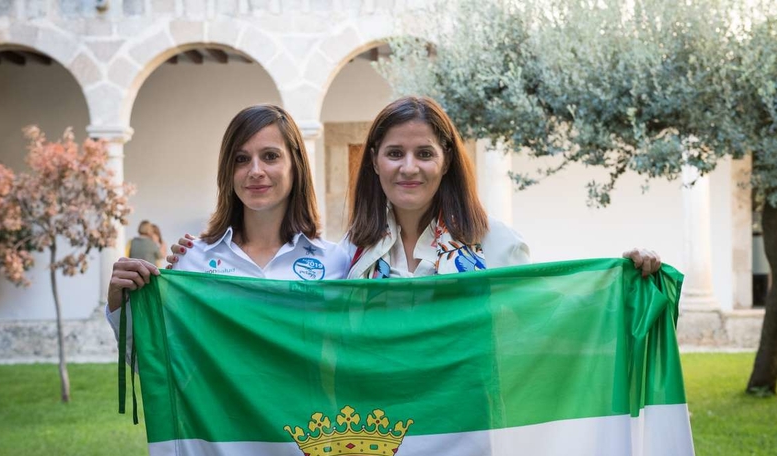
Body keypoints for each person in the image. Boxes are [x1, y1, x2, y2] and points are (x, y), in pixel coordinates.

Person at [168, 96, 660, 277]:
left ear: (447, 163)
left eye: (425, 153)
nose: (409, 168)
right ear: (374, 164)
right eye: (394, 153)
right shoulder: (354, 259)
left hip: (464, 438)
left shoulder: (496, 246)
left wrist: (625, 282)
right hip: (383, 445)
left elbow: (538, 333)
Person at [106, 104, 350, 336]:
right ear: (228, 171)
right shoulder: (192, 260)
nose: (255, 171)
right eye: (241, 159)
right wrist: (120, 306)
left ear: (295, 166)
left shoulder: (335, 263)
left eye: (270, 156)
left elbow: (349, 359)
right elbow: (166, 364)